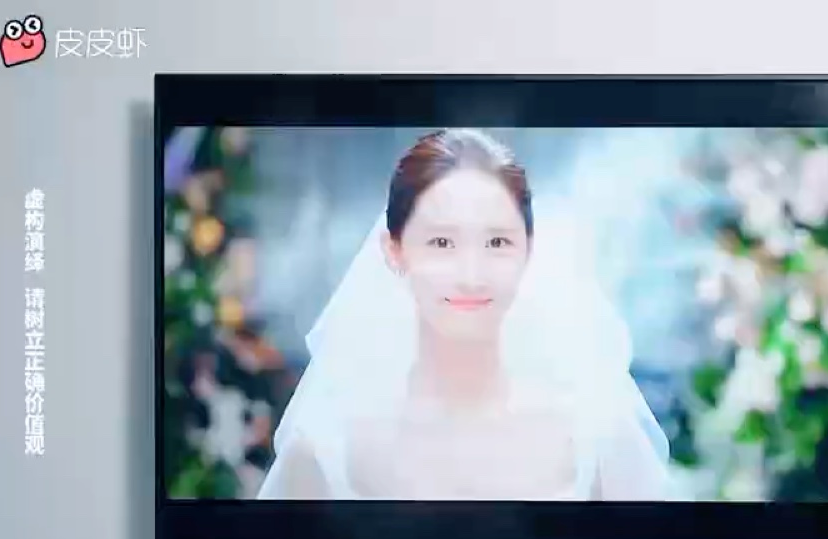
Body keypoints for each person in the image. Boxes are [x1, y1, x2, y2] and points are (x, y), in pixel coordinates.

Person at [256, 129, 672, 501]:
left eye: (497, 242)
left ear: (529, 250)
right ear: (394, 251)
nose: (471, 276)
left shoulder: (598, 435)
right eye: (441, 242)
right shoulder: (328, 446)